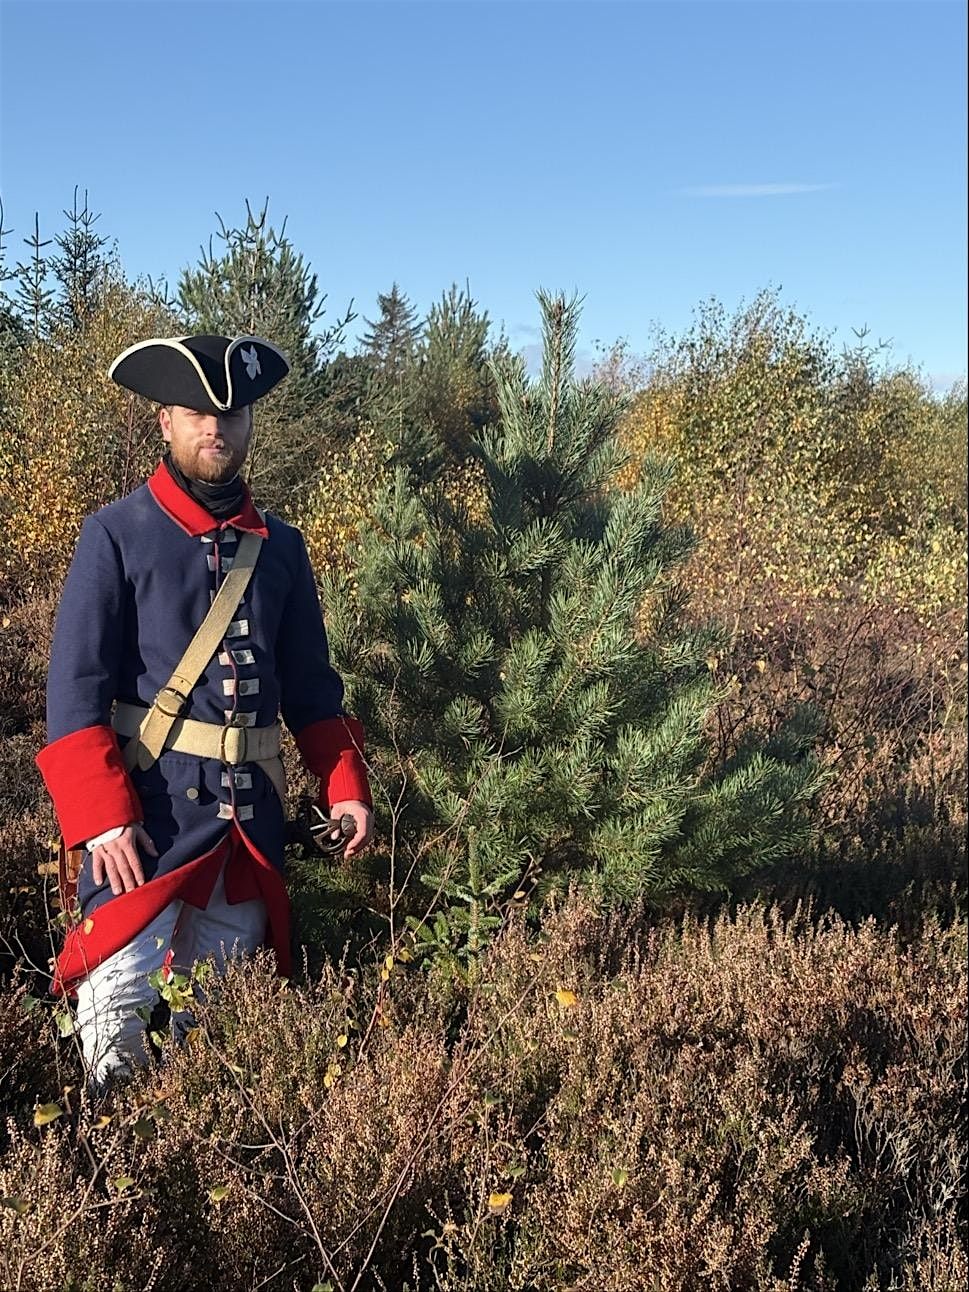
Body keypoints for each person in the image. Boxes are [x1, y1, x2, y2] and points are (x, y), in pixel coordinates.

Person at [35, 333, 374, 1092]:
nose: (215, 428)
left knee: (214, 1044)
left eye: (232, 413)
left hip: (245, 836)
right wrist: (103, 819)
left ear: (250, 424)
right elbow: (74, 692)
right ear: (166, 421)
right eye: (196, 413)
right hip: (145, 834)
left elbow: (312, 687)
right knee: (116, 1027)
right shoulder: (114, 535)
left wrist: (344, 783)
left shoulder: (281, 549)